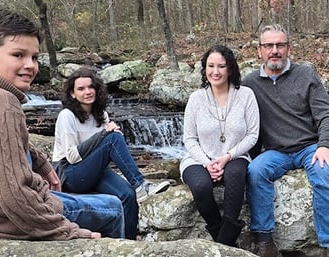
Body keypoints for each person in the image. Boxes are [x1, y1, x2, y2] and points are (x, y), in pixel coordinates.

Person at [0, 8, 126, 240]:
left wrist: (41, 163)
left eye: (34, 57)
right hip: (0, 224)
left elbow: (2, 142)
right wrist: (70, 234)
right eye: (18, 55)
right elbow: (15, 197)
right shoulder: (1, 103)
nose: (31, 66)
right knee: (113, 207)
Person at [52, 67, 170, 240]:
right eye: (81, 88)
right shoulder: (67, 116)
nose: (87, 92)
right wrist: (104, 135)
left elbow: (102, 151)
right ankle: (140, 184)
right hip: (70, 174)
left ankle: (127, 244)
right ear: (72, 94)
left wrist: (107, 136)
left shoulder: (101, 115)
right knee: (112, 137)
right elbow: (72, 156)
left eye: (91, 87)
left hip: (93, 171)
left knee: (128, 196)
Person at [243, 24, 329, 257]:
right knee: (255, 171)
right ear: (259, 51)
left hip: (309, 146)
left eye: (280, 45)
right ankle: (265, 242)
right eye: (268, 45)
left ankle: (326, 244)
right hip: (275, 152)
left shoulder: (306, 74)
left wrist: (324, 146)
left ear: (288, 48)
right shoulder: (249, 83)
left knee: (324, 172)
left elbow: (325, 114)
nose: (275, 50)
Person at [179, 45, 260, 247]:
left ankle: (224, 242)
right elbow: (189, 139)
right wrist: (207, 163)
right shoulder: (196, 98)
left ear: (230, 69)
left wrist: (227, 156)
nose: (216, 72)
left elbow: (252, 135)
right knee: (200, 186)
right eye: (211, 66)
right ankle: (223, 238)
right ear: (204, 69)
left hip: (235, 156)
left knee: (235, 175)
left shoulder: (246, 95)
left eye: (221, 66)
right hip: (199, 159)